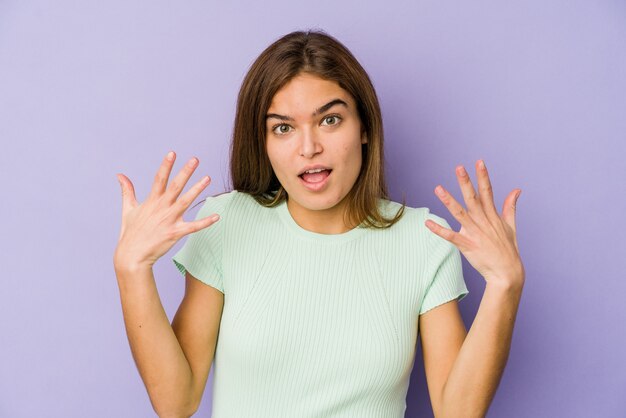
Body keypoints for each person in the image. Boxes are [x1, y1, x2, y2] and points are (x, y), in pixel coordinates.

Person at [114, 29, 525, 418]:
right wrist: (131, 270)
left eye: (329, 120)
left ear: (363, 126)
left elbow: (458, 411)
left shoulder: (425, 241)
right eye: (284, 128)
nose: (309, 148)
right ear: (264, 142)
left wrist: (505, 287)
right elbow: (176, 402)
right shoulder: (225, 224)